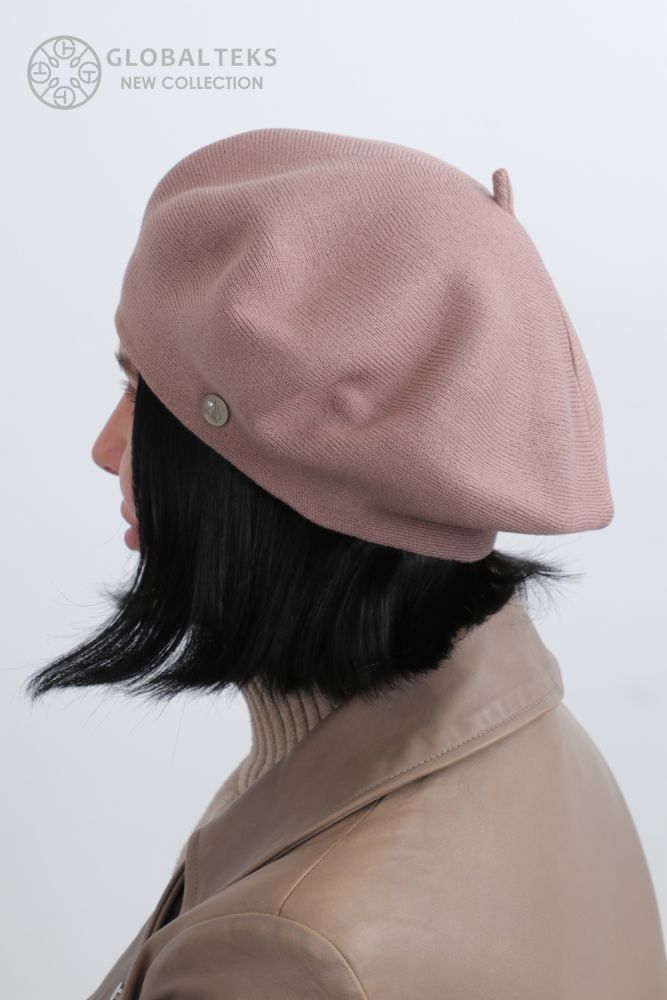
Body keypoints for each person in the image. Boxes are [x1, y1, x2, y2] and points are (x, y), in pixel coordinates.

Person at [25, 128, 667, 999]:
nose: (106, 450)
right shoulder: (533, 739)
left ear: (269, 471)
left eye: (144, 391)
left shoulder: (292, 952)